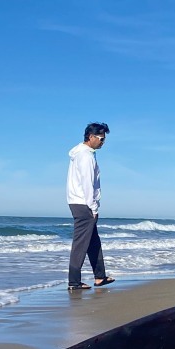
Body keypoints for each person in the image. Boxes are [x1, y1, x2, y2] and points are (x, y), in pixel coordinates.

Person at [66, 122, 115, 291]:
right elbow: (87, 184)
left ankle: (100, 277)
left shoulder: (82, 154)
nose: (103, 142)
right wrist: (93, 208)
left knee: (94, 241)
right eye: (101, 139)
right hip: (83, 204)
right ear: (91, 137)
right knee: (81, 243)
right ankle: (74, 281)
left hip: (80, 202)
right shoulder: (85, 156)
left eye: (104, 139)